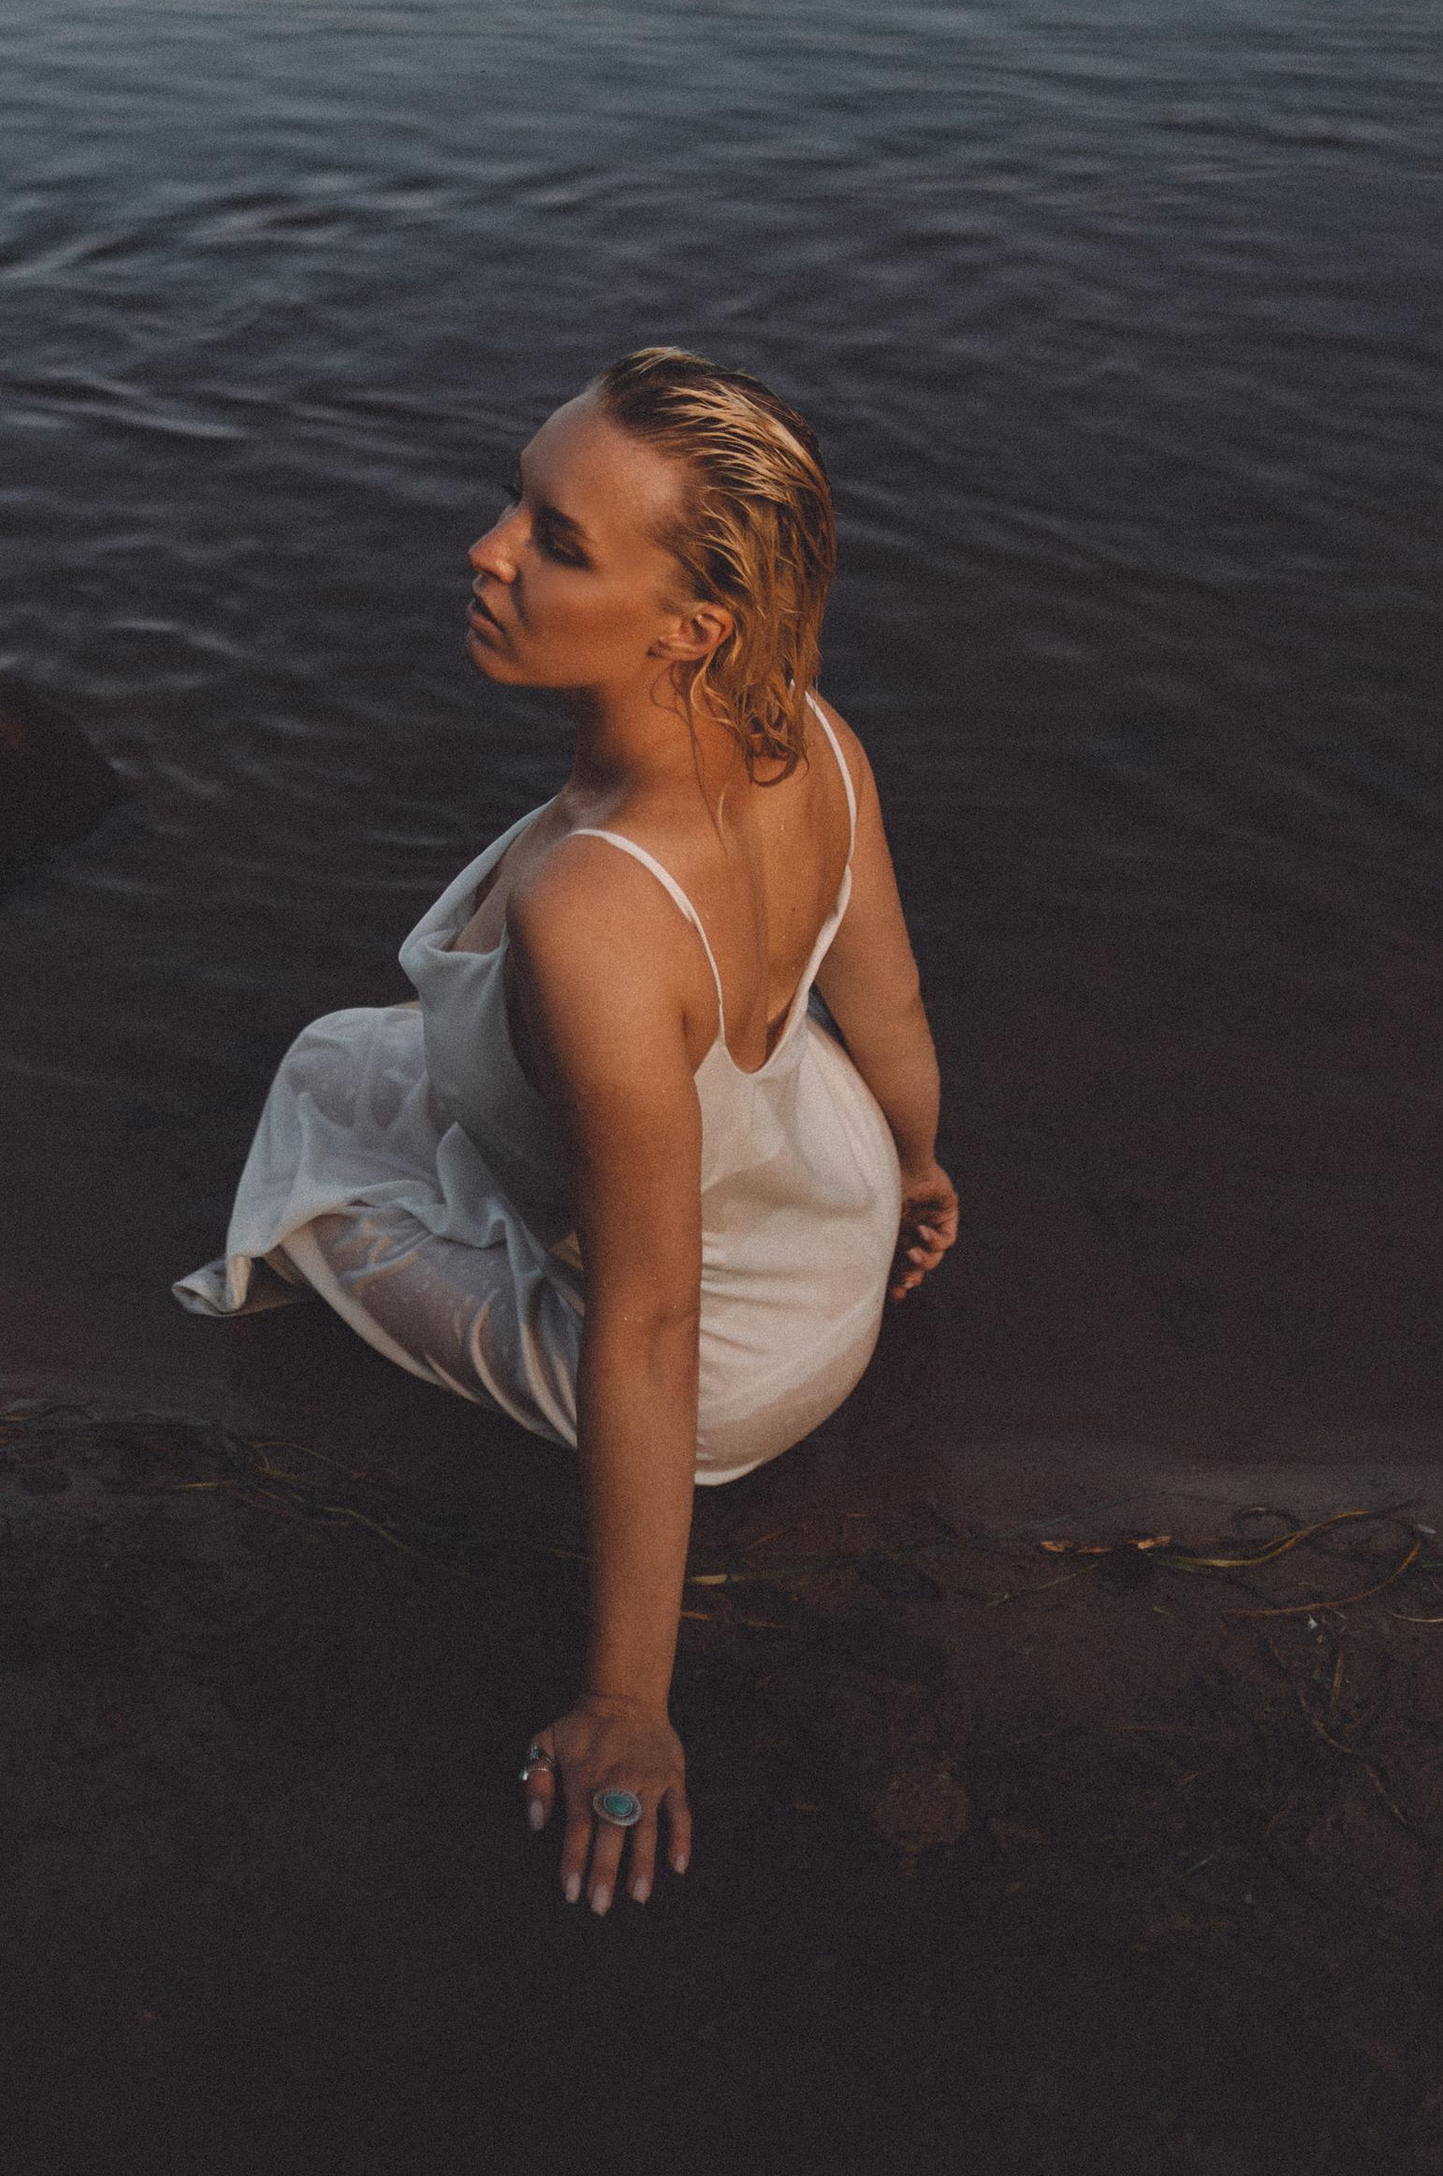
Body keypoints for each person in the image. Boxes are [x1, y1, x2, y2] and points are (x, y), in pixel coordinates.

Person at [177, 347, 957, 1914]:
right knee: (349, 1057)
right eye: (514, 498)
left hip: (730, 1372)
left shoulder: (598, 907)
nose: (489, 547)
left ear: (691, 625)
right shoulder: (811, 728)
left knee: (314, 1162)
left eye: (556, 537)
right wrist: (924, 1170)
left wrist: (630, 1698)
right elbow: (891, 1008)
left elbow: (652, 1317)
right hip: (843, 1208)